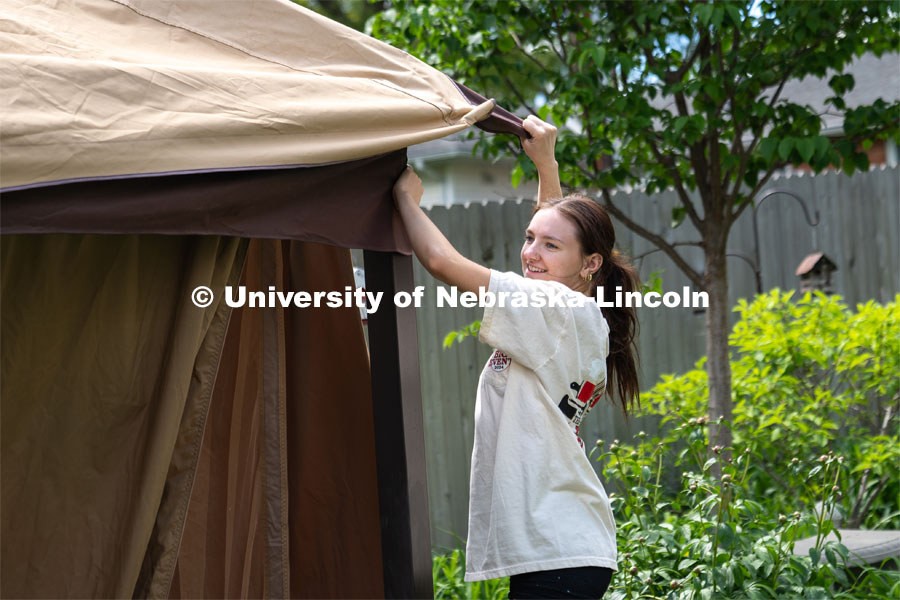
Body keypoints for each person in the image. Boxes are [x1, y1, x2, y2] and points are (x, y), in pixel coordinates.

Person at [392, 115, 640, 599]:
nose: (531, 252)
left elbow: (443, 264)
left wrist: (403, 199)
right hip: (559, 546)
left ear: (590, 265)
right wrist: (545, 163)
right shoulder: (571, 310)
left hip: (559, 549)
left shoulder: (559, 308)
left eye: (549, 246)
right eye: (529, 238)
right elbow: (559, 229)